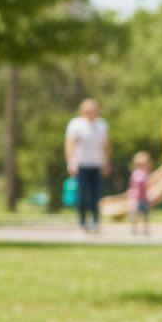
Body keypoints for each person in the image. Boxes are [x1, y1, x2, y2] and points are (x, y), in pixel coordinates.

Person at [64, 98, 111, 234]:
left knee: (97, 194)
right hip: (81, 164)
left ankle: (96, 221)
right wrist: (71, 161)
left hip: (97, 163)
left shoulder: (102, 124)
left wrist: (107, 161)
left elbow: (106, 145)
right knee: (82, 193)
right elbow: (70, 143)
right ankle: (82, 221)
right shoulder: (76, 124)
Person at [128, 150, 152, 236]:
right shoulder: (135, 174)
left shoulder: (146, 175)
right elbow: (133, 186)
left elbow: (147, 187)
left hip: (143, 198)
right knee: (134, 214)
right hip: (135, 198)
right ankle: (134, 229)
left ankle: (145, 229)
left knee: (145, 215)